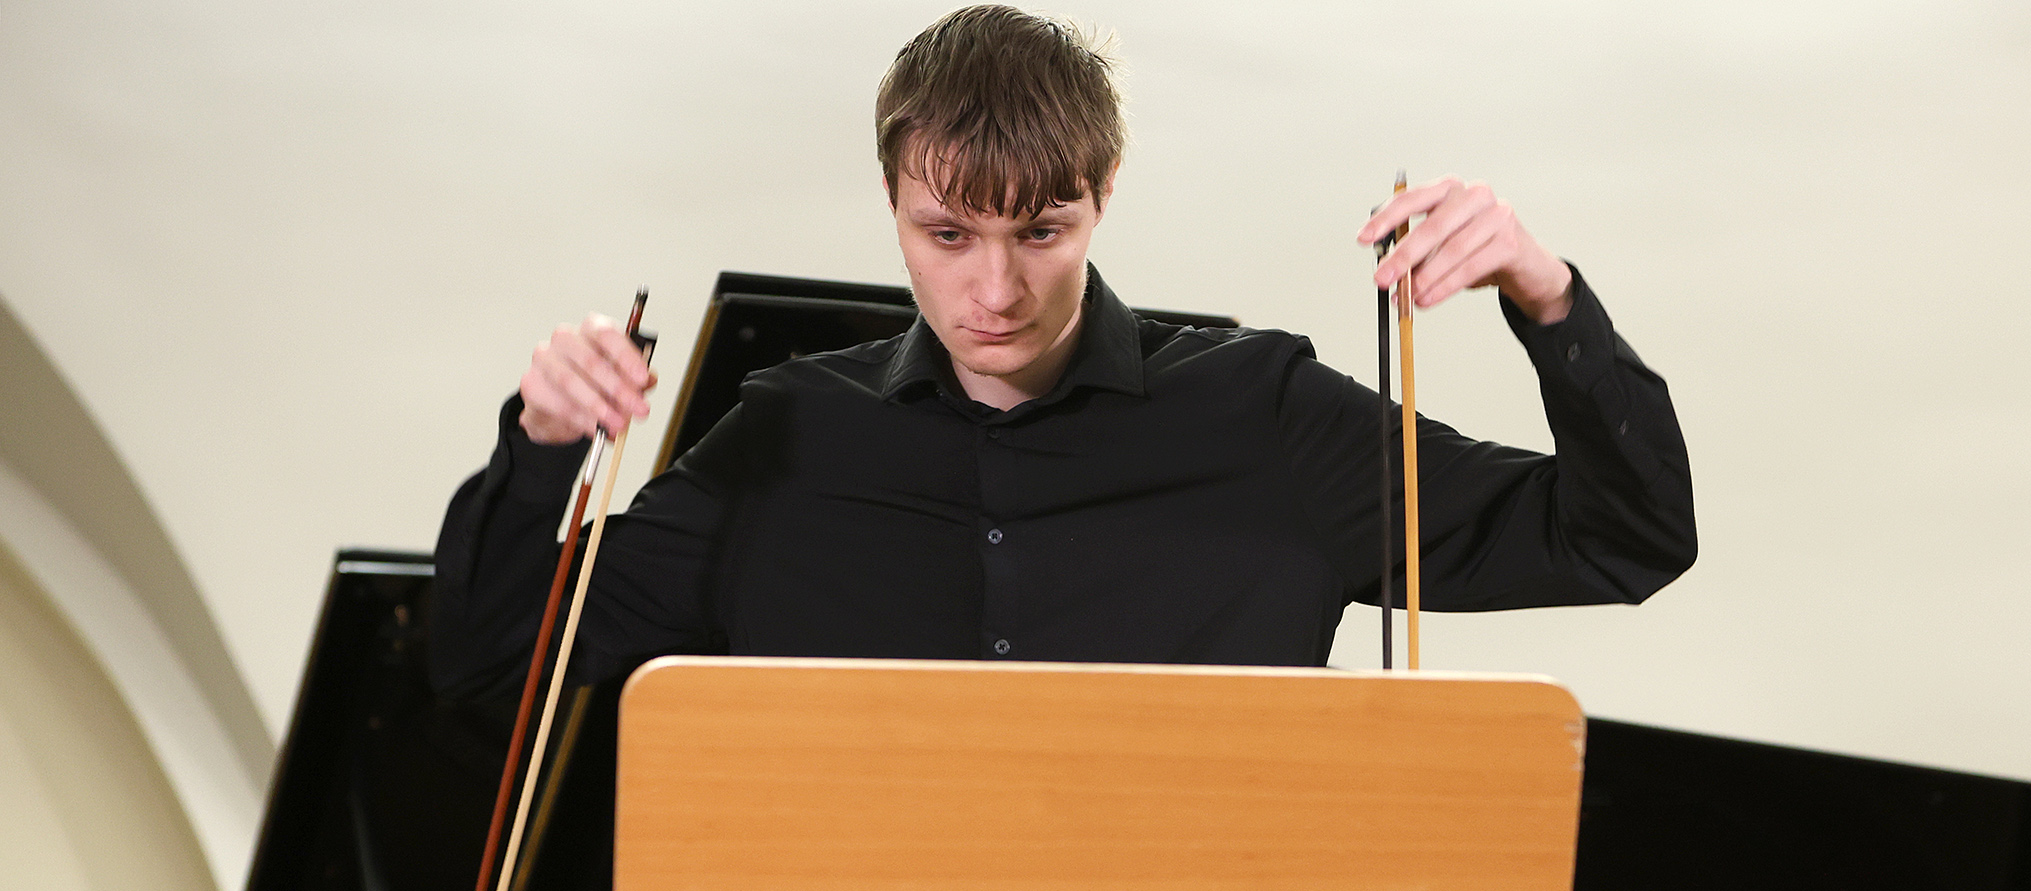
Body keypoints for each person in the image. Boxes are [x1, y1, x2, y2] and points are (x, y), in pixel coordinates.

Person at [430, 4, 1694, 695]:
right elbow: (486, 656)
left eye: (1041, 230)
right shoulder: (788, 440)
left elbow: (1621, 538)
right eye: (946, 233)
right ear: (891, 203)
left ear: (1102, 195)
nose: (994, 290)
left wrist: (1547, 297)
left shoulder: (1262, 417)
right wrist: (541, 444)